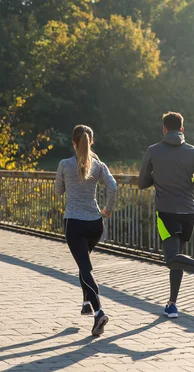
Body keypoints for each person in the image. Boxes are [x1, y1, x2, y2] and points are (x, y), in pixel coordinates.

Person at [138, 112, 194, 318]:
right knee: (178, 256)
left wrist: (157, 177)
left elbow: (141, 182)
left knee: (171, 258)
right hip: (189, 212)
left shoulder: (153, 151)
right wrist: (193, 183)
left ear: (164, 129)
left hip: (166, 212)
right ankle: (172, 304)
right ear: (182, 129)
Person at [55, 125, 118, 336]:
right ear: (91, 142)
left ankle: (99, 312)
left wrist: (67, 184)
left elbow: (58, 191)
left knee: (85, 268)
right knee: (84, 265)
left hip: (74, 223)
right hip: (95, 224)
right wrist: (108, 208)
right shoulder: (99, 166)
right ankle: (85, 303)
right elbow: (114, 186)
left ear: (73, 142)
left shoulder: (64, 165)